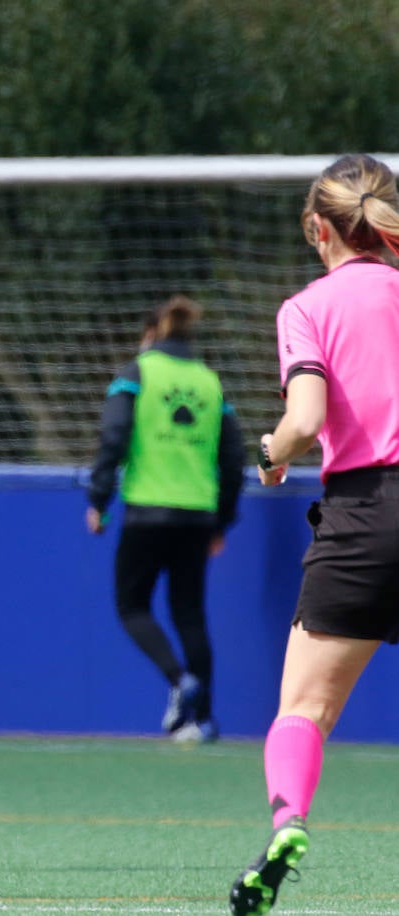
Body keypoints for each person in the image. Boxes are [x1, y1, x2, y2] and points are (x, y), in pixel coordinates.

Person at [229, 154, 399, 916]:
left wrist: (270, 453)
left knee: (303, 710)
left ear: (317, 228)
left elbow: (303, 421)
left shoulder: (307, 308)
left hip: (365, 515)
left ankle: (288, 823)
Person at [86, 295, 244, 744]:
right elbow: (234, 458)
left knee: (132, 606)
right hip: (197, 516)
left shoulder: (136, 374)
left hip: (146, 511)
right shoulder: (210, 382)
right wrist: (221, 522)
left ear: (149, 333)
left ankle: (179, 680)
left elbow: (114, 436)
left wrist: (99, 500)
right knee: (190, 614)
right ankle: (203, 720)